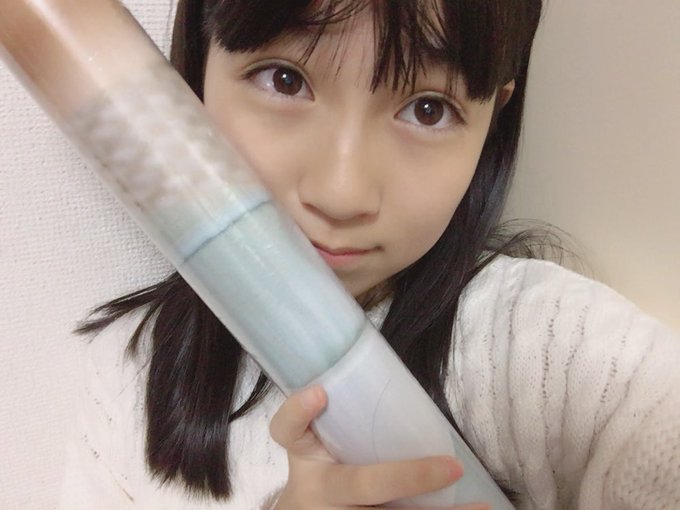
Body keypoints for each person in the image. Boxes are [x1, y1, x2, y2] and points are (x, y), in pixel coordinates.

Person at [59, 1, 680, 509]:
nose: (342, 192)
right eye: (284, 79)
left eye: (428, 109)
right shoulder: (127, 374)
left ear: (494, 117)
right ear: (194, 75)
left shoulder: (558, 350)